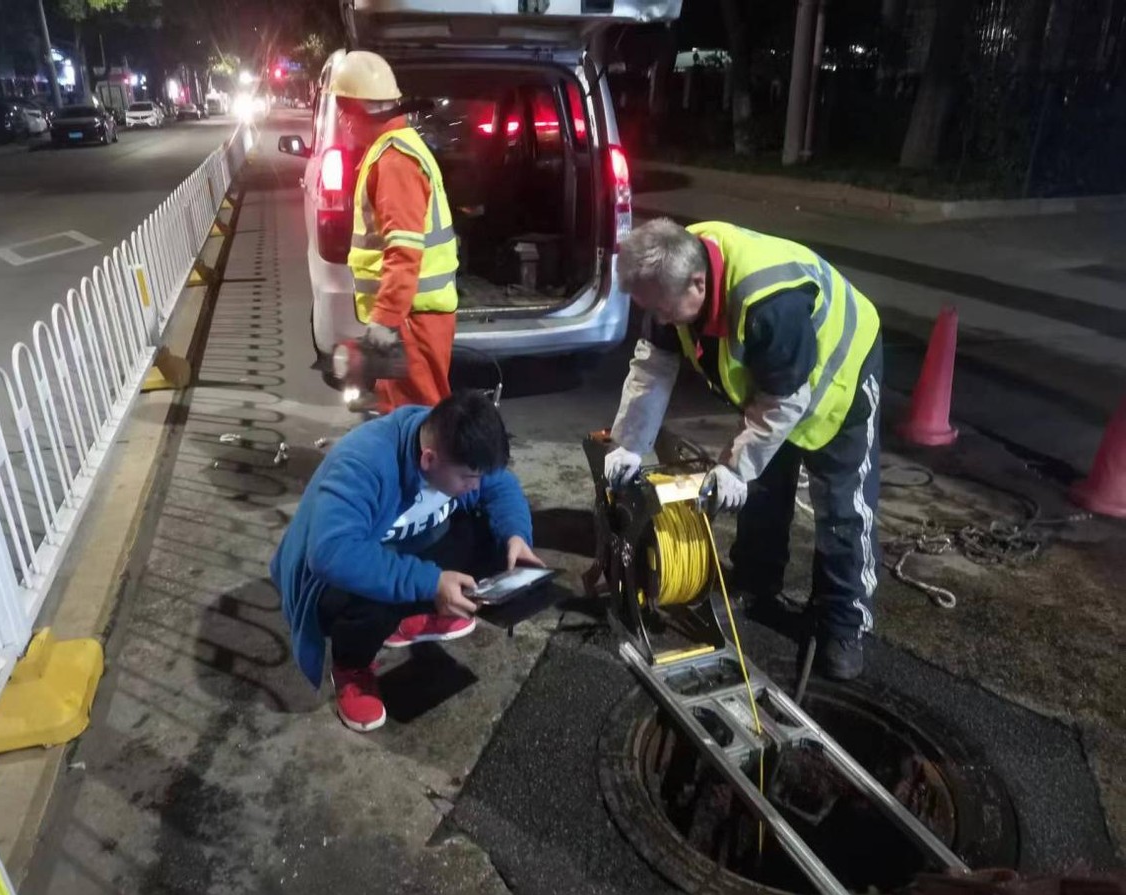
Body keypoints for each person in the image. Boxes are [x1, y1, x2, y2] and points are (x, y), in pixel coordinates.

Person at [604, 218, 883, 680]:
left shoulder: (769, 303)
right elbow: (654, 366)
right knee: (764, 485)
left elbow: (786, 400)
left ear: (698, 282)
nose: (663, 320)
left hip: (840, 378)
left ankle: (844, 624)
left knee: (842, 508)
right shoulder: (672, 270)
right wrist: (630, 444)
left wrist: (736, 465)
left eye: (667, 310)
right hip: (776, 382)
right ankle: (756, 581)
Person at [270, 391, 542, 732]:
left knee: (496, 542)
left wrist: (516, 535)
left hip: (406, 544)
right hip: (329, 576)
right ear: (428, 460)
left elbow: (500, 485)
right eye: (467, 478)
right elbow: (329, 553)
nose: (476, 484)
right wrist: (430, 583)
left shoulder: (453, 443)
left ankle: (409, 617)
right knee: (372, 589)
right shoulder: (364, 462)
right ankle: (351, 667)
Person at [330, 50, 459, 413]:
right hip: (410, 316)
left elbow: (404, 254)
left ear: (362, 110)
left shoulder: (394, 162)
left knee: (418, 421)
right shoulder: (393, 150)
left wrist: (384, 321)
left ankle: (421, 472)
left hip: (412, 321)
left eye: (344, 107)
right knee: (400, 416)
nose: (341, 118)